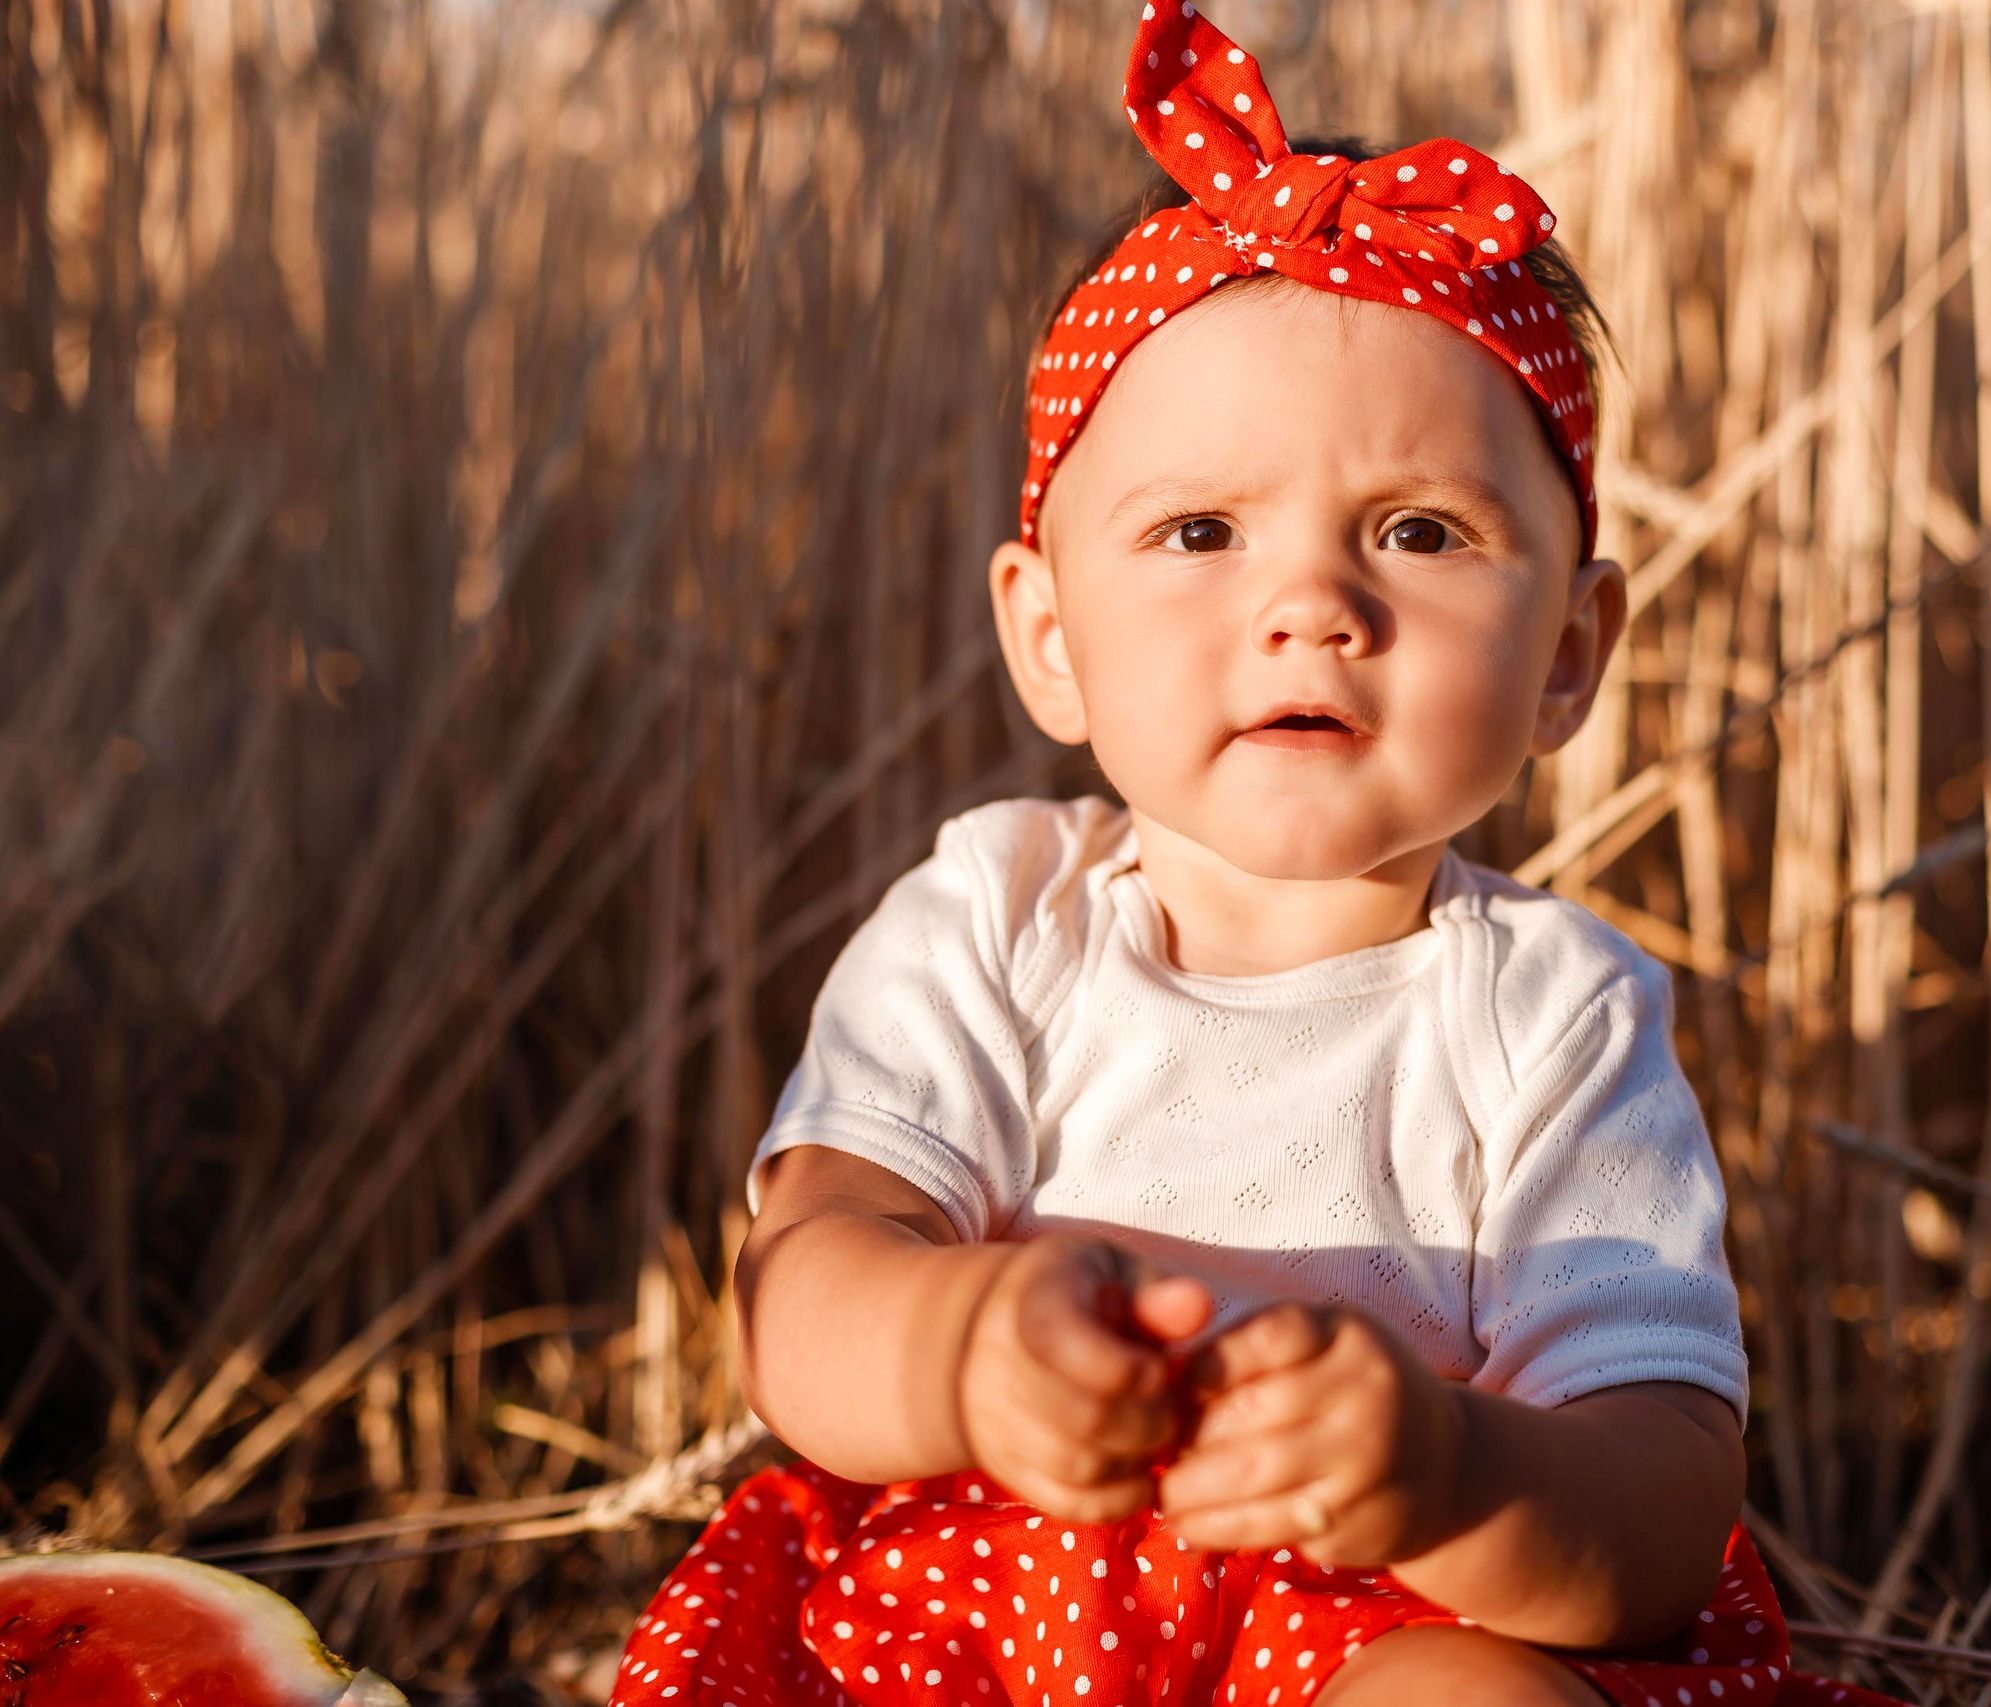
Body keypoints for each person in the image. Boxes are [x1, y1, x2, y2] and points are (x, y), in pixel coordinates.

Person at [609, 7, 1900, 1704]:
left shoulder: (1557, 1018)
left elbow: (1654, 1517)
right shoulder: (994, 921)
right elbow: (805, 1283)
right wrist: (967, 1344)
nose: (1311, 605)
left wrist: (1447, 1476)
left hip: (1371, 1628)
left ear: (1571, 652)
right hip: (963, 1636)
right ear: (1050, 635)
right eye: (1201, 531)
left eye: (1420, 533)